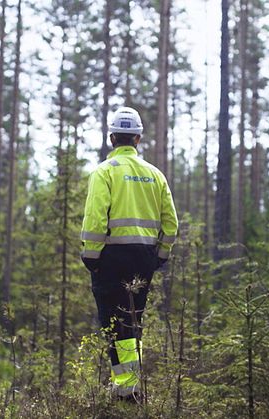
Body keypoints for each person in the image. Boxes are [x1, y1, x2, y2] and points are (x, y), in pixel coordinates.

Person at [80, 106, 178, 402]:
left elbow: (95, 218)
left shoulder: (104, 172)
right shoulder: (155, 175)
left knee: (114, 321)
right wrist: (161, 255)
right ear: (137, 138)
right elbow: (171, 222)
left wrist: (91, 256)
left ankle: (126, 389)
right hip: (144, 259)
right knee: (133, 320)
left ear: (112, 138)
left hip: (111, 259)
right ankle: (130, 385)